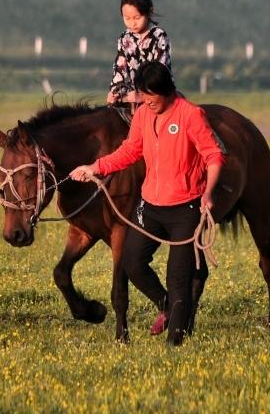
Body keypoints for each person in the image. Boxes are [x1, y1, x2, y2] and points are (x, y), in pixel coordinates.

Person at [72, 62, 224, 346]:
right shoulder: (143, 115)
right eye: (142, 95)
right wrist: (96, 167)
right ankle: (166, 305)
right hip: (151, 205)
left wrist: (208, 193)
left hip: (186, 207)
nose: (146, 102)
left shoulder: (191, 115)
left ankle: (174, 344)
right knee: (131, 261)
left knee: (179, 277)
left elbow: (214, 156)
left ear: (166, 91)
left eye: (151, 96)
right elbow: (130, 150)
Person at [107, 0, 172, 107]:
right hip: (132, 94)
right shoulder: (124, 38)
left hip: (157, 93)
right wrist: (115, 91)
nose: (132, 23)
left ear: (149, 12)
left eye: (137, 18)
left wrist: (143, 95)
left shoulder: (159, 36)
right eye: (127, 18)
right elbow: (120, 68)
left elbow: (159, 72)